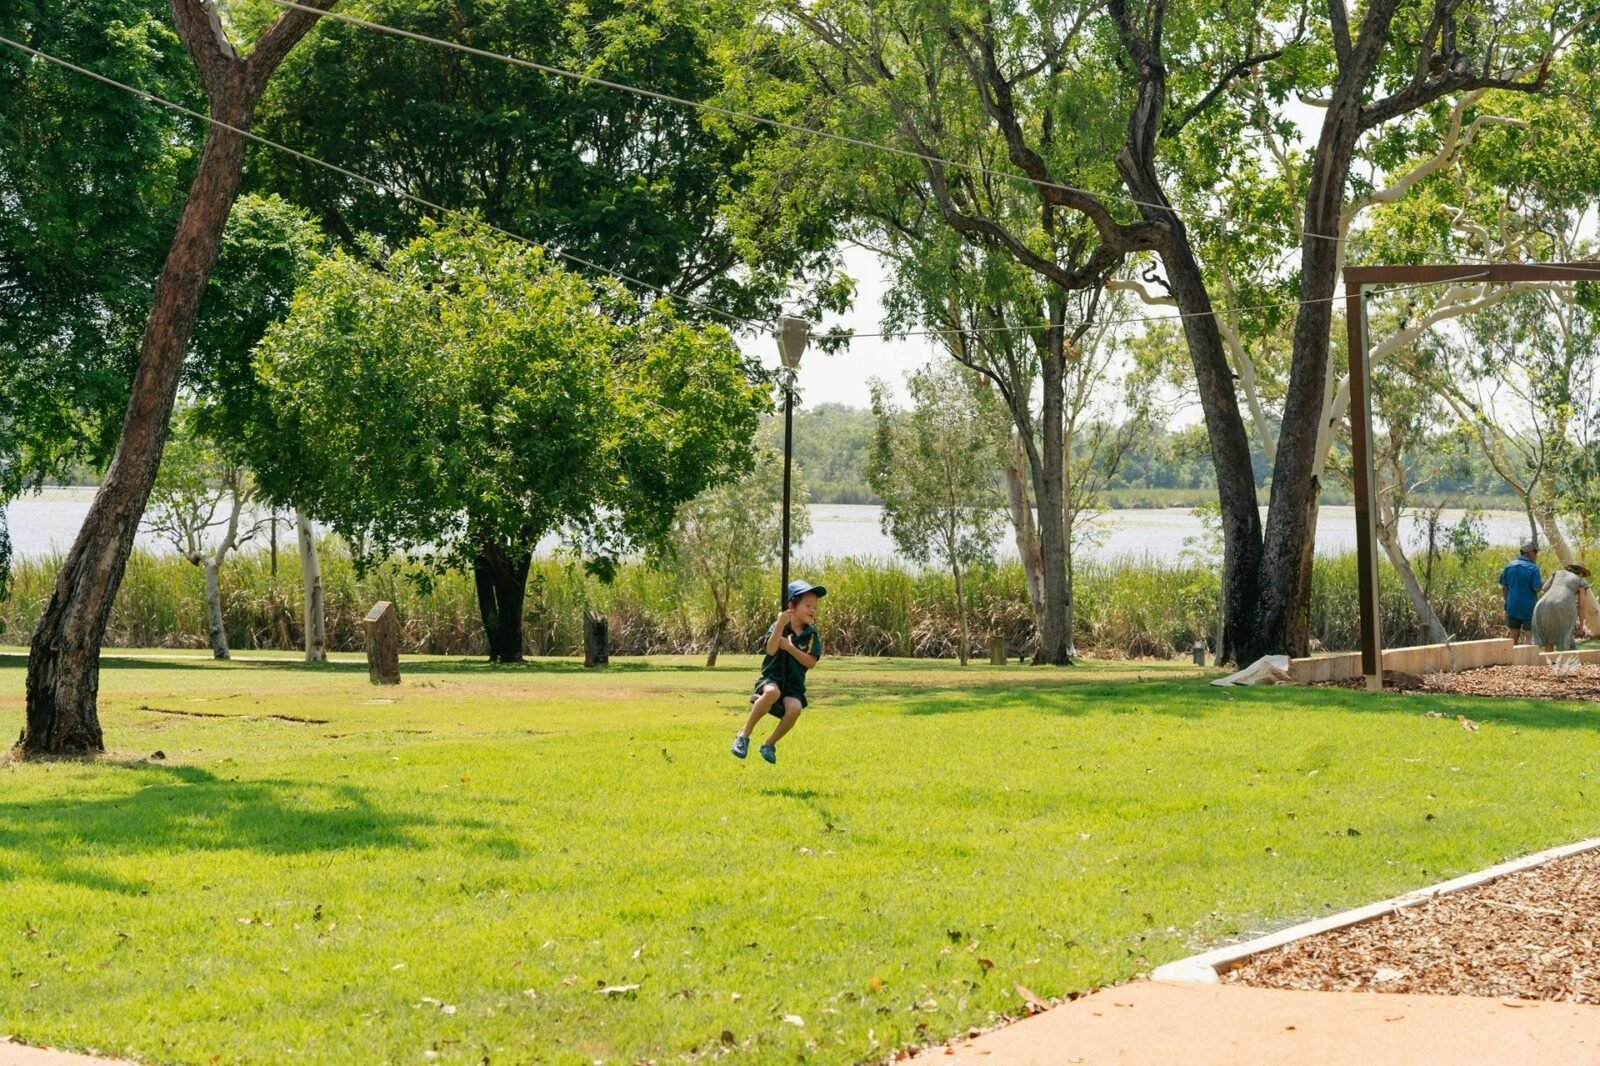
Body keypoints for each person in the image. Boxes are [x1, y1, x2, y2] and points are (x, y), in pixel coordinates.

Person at [731, 580, 825, 765]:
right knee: (772, 693)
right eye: (808, 606)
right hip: (772, 678)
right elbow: (771, 650)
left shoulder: (811, 634)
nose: (813, 610)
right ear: (792, 606)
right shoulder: (778, 625)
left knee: (795, 708)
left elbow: (811, 662)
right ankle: (743, 735)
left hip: (793, 686)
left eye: (815, 607)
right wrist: (781, 626)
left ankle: (769, 744)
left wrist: (790, 648)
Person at [1533, 563, 1593, 651]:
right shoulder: (1580, 581)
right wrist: (1580, 627)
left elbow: (1544, 588)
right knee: (1564, 639)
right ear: (1581, 573)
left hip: (1542, 604)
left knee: (1548, 639)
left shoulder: (1557, 573)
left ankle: (1549, 662)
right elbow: (1581, 606)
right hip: (1564, 606)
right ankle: (1562, 662)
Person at [1498, 540, 1542, 645]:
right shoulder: (1533, 568)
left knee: (1513, 634)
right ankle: (1527, 661)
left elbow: (1504, 587)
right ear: (1529, 552)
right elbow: (1537, 588)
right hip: (1528, 607)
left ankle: (1511, 660)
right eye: (1535, 552)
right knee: (1529, 635)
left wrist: (1507, 602)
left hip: (1512, 606)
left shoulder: (1509, 566)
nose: (1536, 555)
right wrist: (1542, 583)